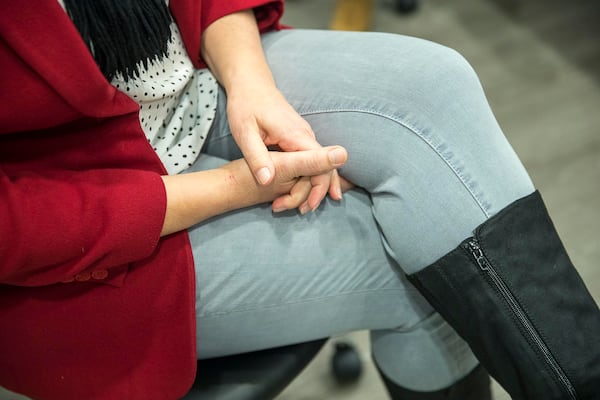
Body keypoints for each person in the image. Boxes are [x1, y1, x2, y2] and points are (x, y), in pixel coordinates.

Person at [1, 1, 598, 399]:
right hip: (81, 225)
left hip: (198, 79)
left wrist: (251, 82)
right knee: (420, 273)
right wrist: (230, 187)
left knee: (433, 89)